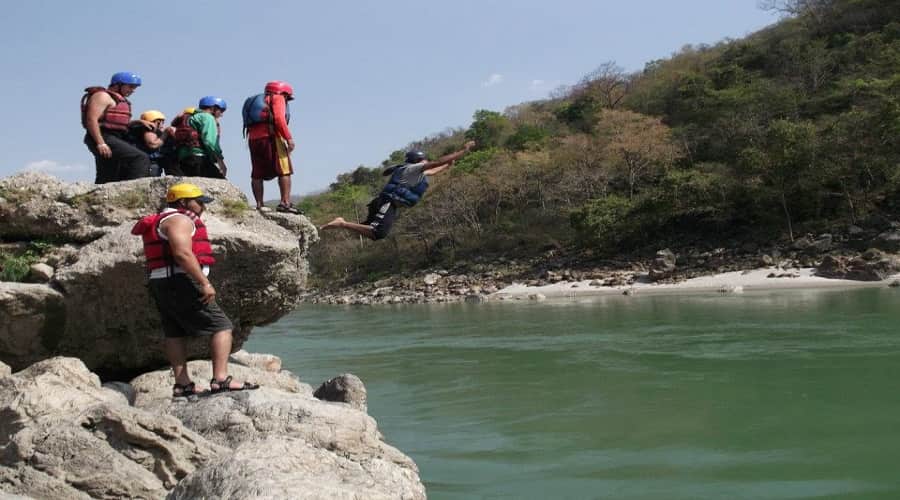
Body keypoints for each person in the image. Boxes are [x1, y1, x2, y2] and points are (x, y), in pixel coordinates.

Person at [131, 183, 259, 399]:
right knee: (222, 326)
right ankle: (221, 380)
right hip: (180, 280)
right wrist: (204, 283)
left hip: (160, 281)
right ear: (182, 202)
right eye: (199, 202)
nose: (203, 206)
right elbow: (182, 253)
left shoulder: (161, 220)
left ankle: (182, 385)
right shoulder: (180, 220)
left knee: (174, 331)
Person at [320, 141, 476, 239]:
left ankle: (326, 228)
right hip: (387, 202)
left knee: (369, 228)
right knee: (378, 233)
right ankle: (342, 224)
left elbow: (435, 169)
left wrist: (449, 164)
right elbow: (437, 163)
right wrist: (464, 150)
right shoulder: (413, 168)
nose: (427, 161)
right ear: (418, 161)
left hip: (385, 202)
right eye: (425, 159)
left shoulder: (414, 171)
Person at [81, 71, 152, 183]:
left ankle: (101, 198)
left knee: (109, 175)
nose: (133, 90)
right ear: (118, 84)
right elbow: (91, 119)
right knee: (140, 158)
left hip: (113, 137)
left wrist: (138, 122)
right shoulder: (102, 96)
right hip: (103, 136)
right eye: (130, 86)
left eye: (134, 88)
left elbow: (115, 122)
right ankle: (132, 192)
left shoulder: (116, 99)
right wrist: (101, 143)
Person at [244, 81, 301, 213]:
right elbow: (279, 119)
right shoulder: (278, 97)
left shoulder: (257, 101)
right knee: (285, 169)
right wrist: (289, 139)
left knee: (257, 172)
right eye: (287, 97)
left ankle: (259, 204)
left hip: (253, 139)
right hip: (271, 137)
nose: (286, 100)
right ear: (283, 93)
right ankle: (285, 203)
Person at [174, 97, 228, 178]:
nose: (221, 114)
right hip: (199, 159)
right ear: (213, 108)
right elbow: (210, 142)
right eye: (221, 110)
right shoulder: (208, 118)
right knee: (221, 184)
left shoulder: (191, 118)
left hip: (184, 159)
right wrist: (220, 162)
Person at [128, 110, 175, 176]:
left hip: (155, 163)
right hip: (149, 163)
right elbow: (153, 144)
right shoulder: (147, 129)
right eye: (158, 122)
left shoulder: (158, 132)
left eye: (162, 122)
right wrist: (165, 134)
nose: (161, 124)